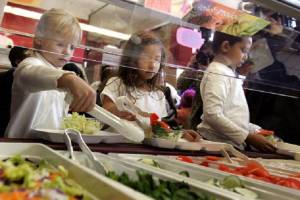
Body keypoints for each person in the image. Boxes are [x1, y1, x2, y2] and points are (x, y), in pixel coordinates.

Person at [5, 9, 96, 138]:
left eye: (72, 47)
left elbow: (54, 116)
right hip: (21, 144)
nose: (67, 52)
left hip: (49, 145)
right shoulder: (30, 64)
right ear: (38, 40)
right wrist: (69, 79)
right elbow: (32, 73)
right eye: (60, 44)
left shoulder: (60, 73)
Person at [101, 31, 200, 141]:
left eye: (157, 59)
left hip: (146, 151)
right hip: (119, 145)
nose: (152, 65)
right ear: (132, 59)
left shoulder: (159, 95)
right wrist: (118, 111)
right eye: (146, 58)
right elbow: (106, 109)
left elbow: (159, 127)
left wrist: (180, 133)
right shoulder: (117, 83)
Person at [197, 31, 276, 152]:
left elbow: (232, 116)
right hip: (217, 144)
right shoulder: (217, 72)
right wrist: (247, 136)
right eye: (243, 50)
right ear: (226, 46)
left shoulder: (226, 72)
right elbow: (212, 115)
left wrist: (255, 130)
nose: (246, 56)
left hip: (227, 144)